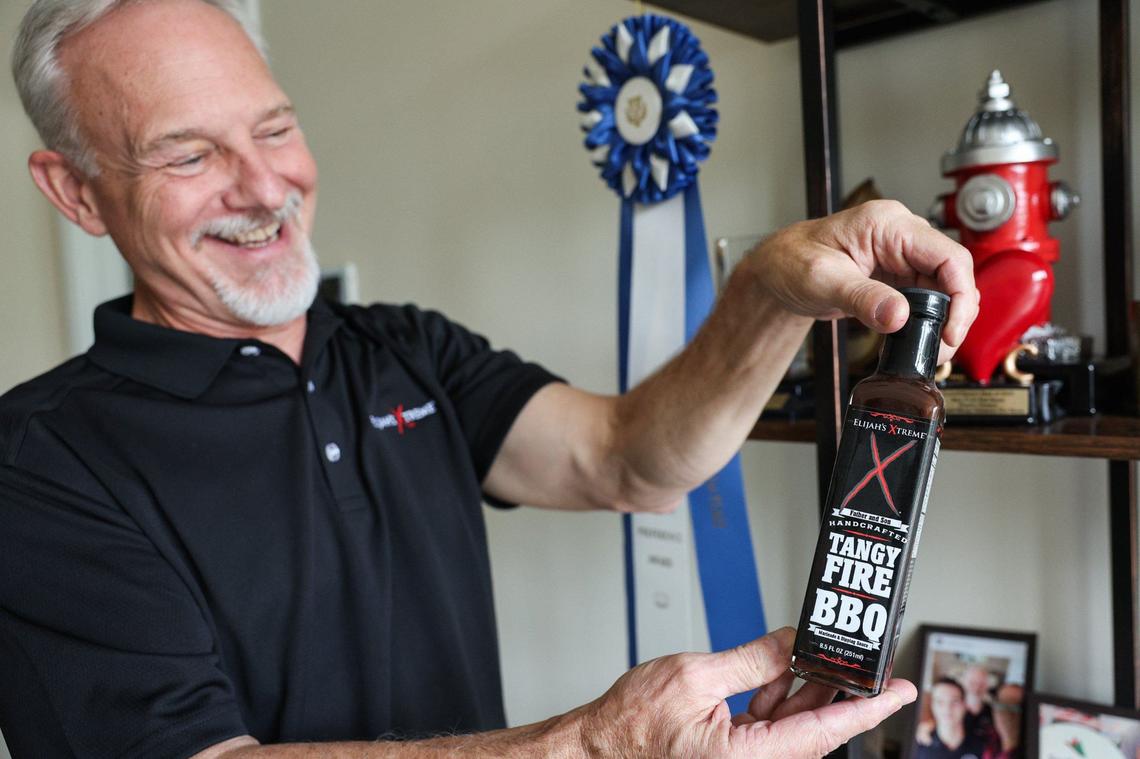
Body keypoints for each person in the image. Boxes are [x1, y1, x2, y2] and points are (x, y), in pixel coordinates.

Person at [0, 0, 979, 756]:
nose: (262, 187)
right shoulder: (38, 466)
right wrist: (591, 743)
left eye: (273, 128)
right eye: (187, 153)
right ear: (75, 189)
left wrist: (767, 291)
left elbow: (628, 460)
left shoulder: (405, 349)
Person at [915, 679, 991, 759]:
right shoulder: (918, 745)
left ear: (964, 705)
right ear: (932, 705)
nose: (947, 708)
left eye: (955, 701)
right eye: (939, 702)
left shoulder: (982, 745)